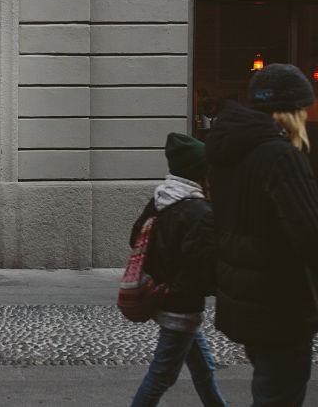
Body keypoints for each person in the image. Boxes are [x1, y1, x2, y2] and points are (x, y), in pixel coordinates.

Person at [206, 63, 318, 407]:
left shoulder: (229, 155)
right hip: (281, 308)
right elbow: (309, 236)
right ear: (291, 112)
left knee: (269, 390)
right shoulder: (281, 157)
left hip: (250, 306)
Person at [129, 133, 227, 407]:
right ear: (200, 172)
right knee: (161, 376)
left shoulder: (162, 198)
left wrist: (162, 273)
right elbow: (205, 267)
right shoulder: (198, 210)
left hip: (167, 297)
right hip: (181, 306)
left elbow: (136, 238)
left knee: (203, 367)